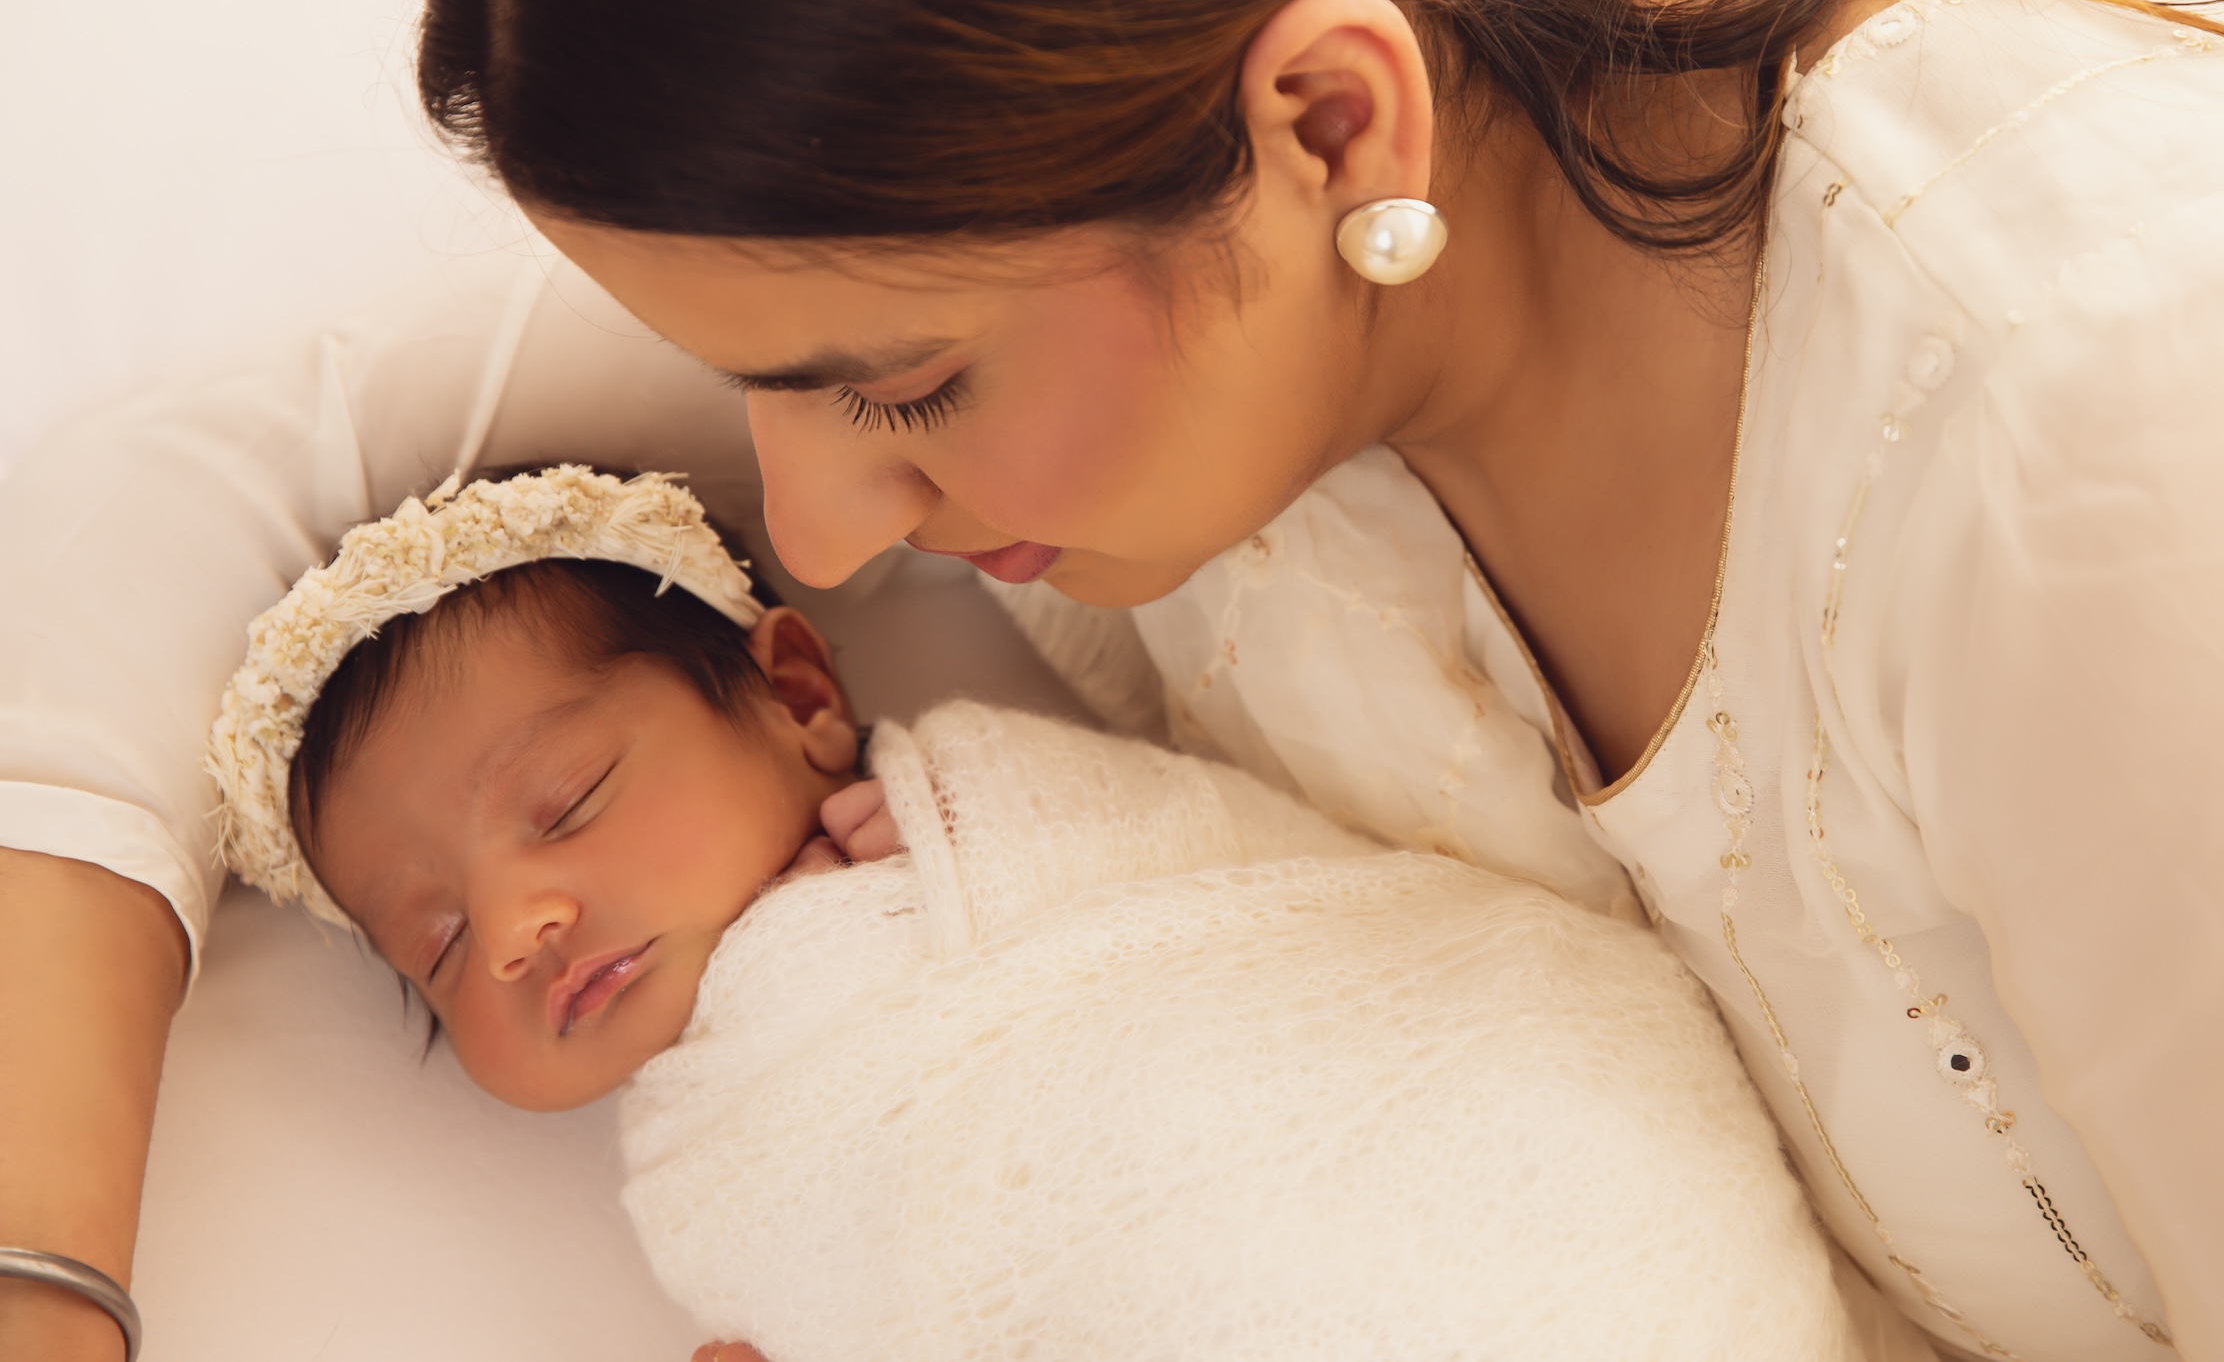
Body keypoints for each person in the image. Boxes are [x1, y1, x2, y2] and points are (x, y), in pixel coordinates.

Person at [5, 0, 2224, 1357]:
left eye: (890, 390)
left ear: (1328, 128)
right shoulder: (1219, 286)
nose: (814, 530)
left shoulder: (2133, 468)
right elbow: (193, 502)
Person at [201, 463, 1854, 1360]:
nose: (515, 924)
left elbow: (1341, 982)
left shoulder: (1027, 841)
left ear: (793, 691)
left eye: (563, 806)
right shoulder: (720, 1166)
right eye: (430, 945)